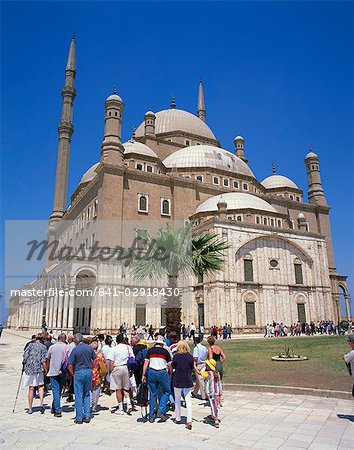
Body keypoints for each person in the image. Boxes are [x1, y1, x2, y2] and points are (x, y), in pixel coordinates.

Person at [67, 333, 96, 424]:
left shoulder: (75, 350)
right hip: (88, 372)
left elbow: (70, 365)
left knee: (79, 395)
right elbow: (95, 359)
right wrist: (91, 368)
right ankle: (87, 416)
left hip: (79, 372)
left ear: (76, 341)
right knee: (87, 394)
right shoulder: (89, 348)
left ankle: (79, 417)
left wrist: (73, 374)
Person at [142, 335, 172, 422]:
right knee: (167, 391)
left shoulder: (150, 351)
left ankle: (151, 416)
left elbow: (146, 363)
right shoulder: (165, 352)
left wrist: (143, 374)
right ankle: (161, 410)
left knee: (152, 394)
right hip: (162, 372)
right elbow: (169, 364)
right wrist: (170, 372)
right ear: (162, 344)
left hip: (152, 372)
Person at [107, 333, 134, 415]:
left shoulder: (114, 349)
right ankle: (129, 404)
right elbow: (132, 358)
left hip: (117, 368)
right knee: (126, 387)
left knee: (118, 389)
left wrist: (111, 371)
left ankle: (121, 408)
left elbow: (111, 362)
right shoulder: (128, 348)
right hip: (125, 368)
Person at [172, 340, 194, 430]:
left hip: (177, 379)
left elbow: (173, 366)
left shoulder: (176, 356)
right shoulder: (190, 356)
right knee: (188, 401)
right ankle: (189, 420)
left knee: (177, 400)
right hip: (187, 379)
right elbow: (192, 367)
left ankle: (178, 418)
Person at [22, 333, 47, 414]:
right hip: (39, 369)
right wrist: (46, 370)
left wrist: (24, 363)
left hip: (30, 369)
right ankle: (41, 403)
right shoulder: (43, 347)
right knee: (40, 386)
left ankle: (30, 408)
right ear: (42, 339)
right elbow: (43, 360)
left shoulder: (30, 345)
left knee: (31, 388)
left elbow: (25, 356)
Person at [46, 333, 68, 417]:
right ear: (64, 339)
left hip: (53, 371)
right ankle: (54, 407)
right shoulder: (67, 347)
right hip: (63, 372)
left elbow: (47, 358)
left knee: (56, 390)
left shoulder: (52, 347)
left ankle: (58, 410)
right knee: (58, 390)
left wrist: (47, 369)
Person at [199, 359, 222, 428]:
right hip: (217, 391)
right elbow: (219, 383)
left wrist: (194, 365)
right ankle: (213, 416)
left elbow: (199, 373)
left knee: (213, 405)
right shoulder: (216, 373)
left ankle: (216, 419)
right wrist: (220, 392)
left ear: (209, 366)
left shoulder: (208, 373)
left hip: (211, 392)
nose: (205, 366)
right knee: (215, 404)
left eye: (207, 365)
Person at [90, 339, 106, 412]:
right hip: (97, 374)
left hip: (89, 373)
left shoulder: (88, 354)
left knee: (89, 390)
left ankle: (89, 404)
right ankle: (94, 405)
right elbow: (104, 365)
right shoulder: (99, 355)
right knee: (96, 390)